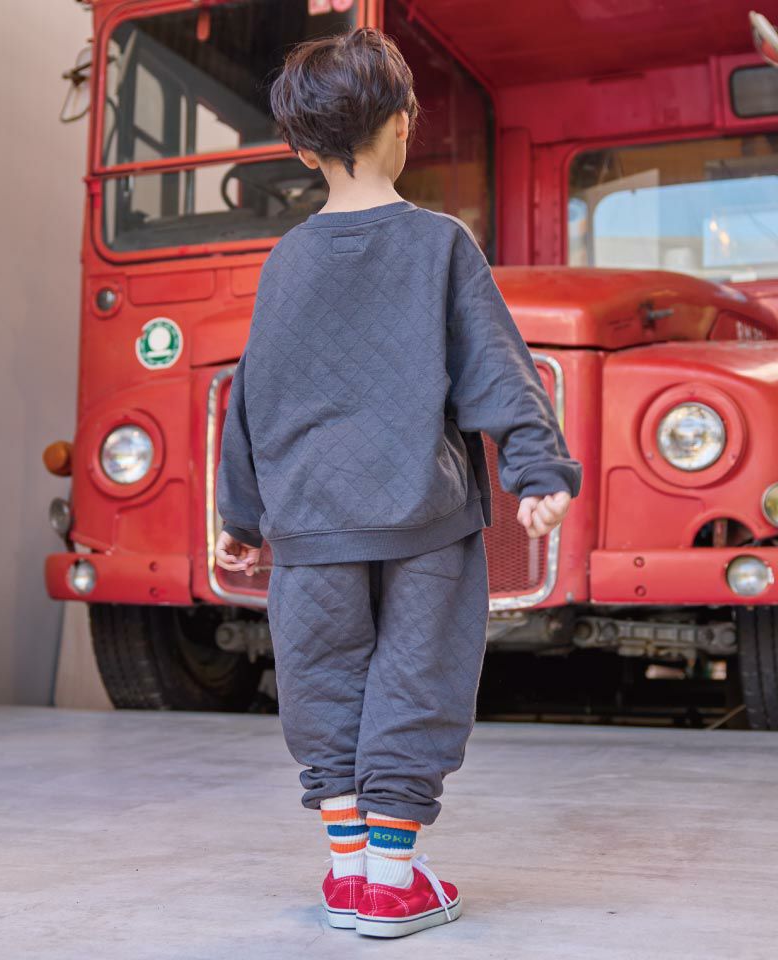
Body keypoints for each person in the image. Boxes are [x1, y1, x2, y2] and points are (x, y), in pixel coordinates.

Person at [214, 26, 582, 939]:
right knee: (419, 681)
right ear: (404, 125)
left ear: (300, 149)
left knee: (321, 684)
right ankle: (392, 879)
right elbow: (497, 367)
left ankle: (348, 875)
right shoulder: (439, 244)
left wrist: (241, 515)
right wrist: (536, 467)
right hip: (423, 518)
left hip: (309, 527)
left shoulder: (285, 259)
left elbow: (255, 393)